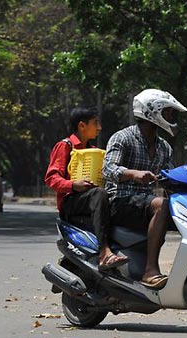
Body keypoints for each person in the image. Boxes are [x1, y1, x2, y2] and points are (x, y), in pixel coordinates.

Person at [102, 89, 187, 290]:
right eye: (166, 112)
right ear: (151, 112)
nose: (170, 117)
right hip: (120, 202)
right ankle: (150, 270)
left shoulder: (164, 147)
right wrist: (133, 174)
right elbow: (107, 168)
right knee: (162, 205)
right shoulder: (122, 137)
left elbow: (170, 175)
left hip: (144, 204)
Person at [45, 107, 128, 270]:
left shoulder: (92, 150)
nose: (99, 128)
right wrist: (73, 185)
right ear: (82, 126)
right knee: (99, 194)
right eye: (95, 123)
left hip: (89, 199)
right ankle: (105, 253)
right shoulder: (65, 146)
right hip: (70, 201)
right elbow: (51, 178)